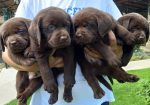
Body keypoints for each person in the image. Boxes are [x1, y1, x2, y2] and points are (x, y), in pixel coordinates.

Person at [14, 0, 122, 105]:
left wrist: (114, 53)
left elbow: (123, 36)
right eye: (51, 27)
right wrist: (36, 66)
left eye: (66, 26)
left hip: (97, 99)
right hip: (44, 98)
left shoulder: (104, 1)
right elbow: (8, 52)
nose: (63, 34)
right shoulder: (30, 2)